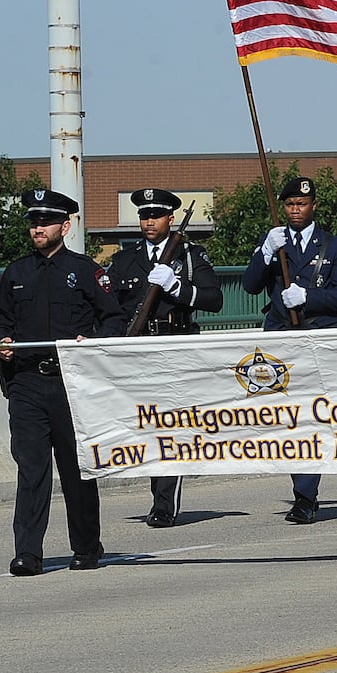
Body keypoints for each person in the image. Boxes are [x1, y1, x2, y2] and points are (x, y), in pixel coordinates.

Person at [0, 189, 124, 575]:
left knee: (76, 468)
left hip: (70, 382)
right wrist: (2, 341)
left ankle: (86, 547)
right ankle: (28, 552)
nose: (38, 228)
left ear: (65, 226)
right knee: (31, 469)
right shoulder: (16, 272)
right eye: (33, 222)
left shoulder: (85, 271)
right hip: (27, 382)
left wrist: (91, 342)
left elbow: (114, 320)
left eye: (46, 222)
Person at [238, 175, 337, 524]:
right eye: (289, 205)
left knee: (313, 416)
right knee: (287, 419)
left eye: (301, 204)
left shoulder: (333, 245)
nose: (295, 210)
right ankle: (302, 491)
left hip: (319, 335)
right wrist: (264, 253)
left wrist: (310, 297)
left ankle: (306, 496)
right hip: (281, 340)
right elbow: (249, 285)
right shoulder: (274, 242)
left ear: (313, 206)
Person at [106, 187, 223, 528]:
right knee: (145, 425)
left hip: (176, 347)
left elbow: (214, 299)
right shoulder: (124, 260)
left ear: (170, 219)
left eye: (156, 215)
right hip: (138, 350)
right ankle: (155, 492)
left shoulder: (188, 255)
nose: (149, 221)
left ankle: (163, 503)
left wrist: (178, 288)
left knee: (170, 426)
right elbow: (110, 308)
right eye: (144, 216)